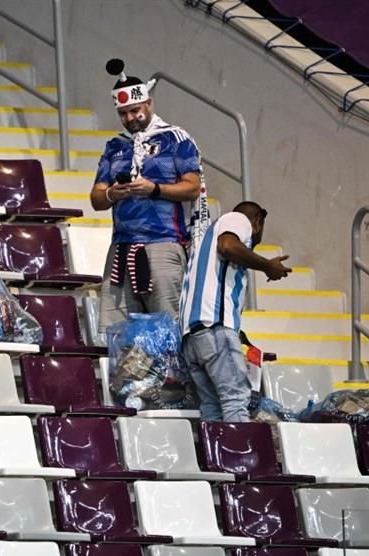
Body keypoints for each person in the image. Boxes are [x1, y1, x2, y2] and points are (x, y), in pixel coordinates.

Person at [90, 58, 209, 336]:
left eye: (135, 111)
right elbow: (96, 198)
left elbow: (192, 187)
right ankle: (128, 381)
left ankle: (174, 381)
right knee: (119, 334)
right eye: (123, 114)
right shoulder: (115, 146)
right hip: (121, 248)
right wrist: (111, 193)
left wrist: (154, 189)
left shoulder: (175, 138)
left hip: (162, 245)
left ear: (149, 104)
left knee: (167, 329)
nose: (130, 118)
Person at [178, 201, 292, 421]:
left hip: (191, 338)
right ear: (257, 221)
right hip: (214, 328)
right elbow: (228, 246)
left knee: (213, 407)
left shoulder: (204, 242)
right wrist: (267, 265)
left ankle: (218, 455)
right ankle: (240, 456)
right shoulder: (237, 220)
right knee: (236, 399)